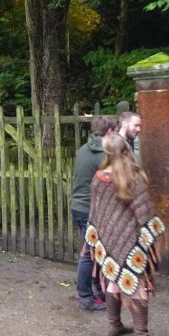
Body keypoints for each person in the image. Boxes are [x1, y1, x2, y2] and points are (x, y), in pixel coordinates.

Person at [86, 134, 165, 336]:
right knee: (136, 282)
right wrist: (152, 234)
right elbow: (144, 213)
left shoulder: (99, 178)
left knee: (113, 280)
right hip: (133, 241)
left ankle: (115, 325)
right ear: (127, 150)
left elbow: (95, 213)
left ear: (107, 153)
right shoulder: (135, 178)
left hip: (108, 239)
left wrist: (100, 235)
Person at [70, 115, 116, 311]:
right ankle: (86, 297)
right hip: (90, 208)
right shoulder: (102, 155)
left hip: (79, 206)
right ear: (110, 132)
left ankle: (98, 291)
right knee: (89, 254)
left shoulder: (83, 149)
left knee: (94, 252)